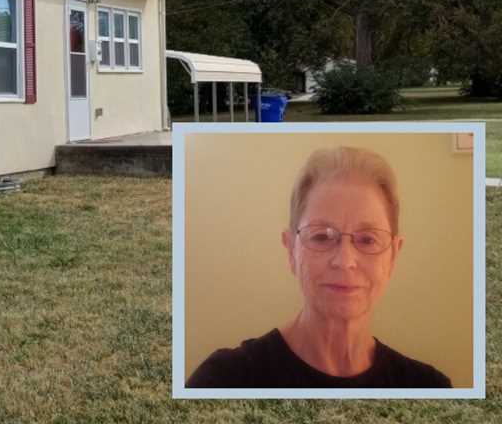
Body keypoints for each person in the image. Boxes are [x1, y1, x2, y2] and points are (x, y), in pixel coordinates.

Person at [187, 146, 452, 388]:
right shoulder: (222, 380)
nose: (345, 261)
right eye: (322, 236)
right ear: (291, 249)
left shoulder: (430, 386)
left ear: (393, 255)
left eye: (368, 239)